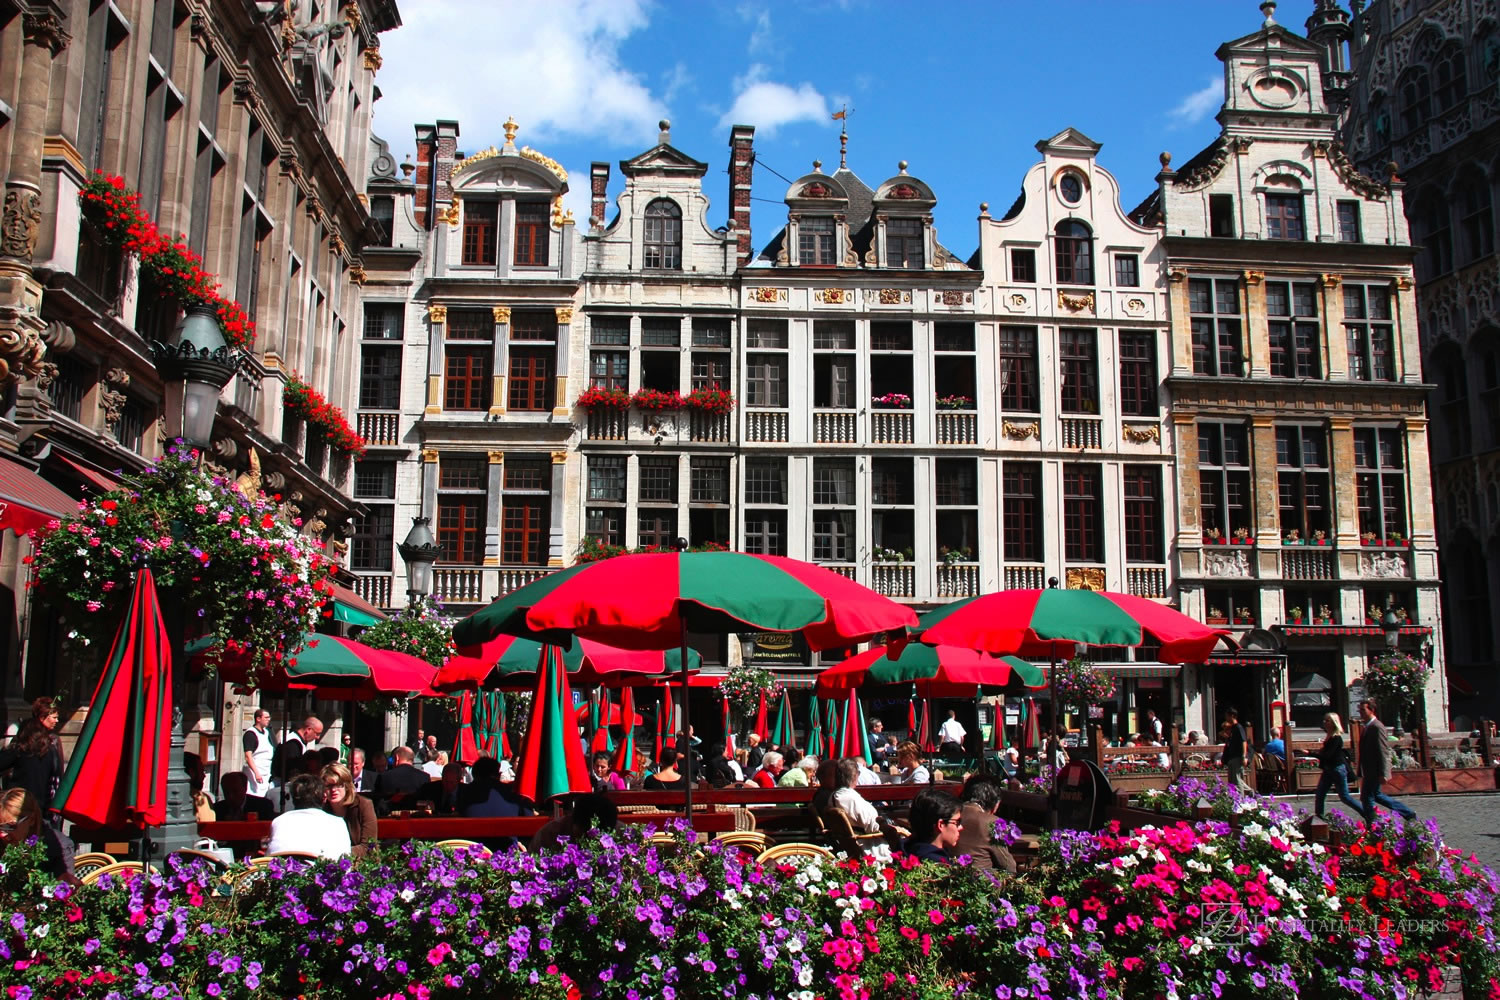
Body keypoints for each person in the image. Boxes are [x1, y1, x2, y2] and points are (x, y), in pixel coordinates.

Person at [1357, 700, 1417, 824]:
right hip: (1369, 769)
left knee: (1367, 797)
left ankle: (1372, 823)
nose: (1360, 712)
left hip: (1375, 769)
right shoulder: (1367, 726)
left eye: (1363, 710)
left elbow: (1383, 750)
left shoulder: (1377, 727)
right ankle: (1407, 812)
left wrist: (1384, 772)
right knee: (1375, 795)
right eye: (1360, 710)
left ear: (1371, 710)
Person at [1, 698, 66, 812]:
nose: (57, 721)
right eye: (54, 717)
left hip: (22, 801)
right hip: (32, 803)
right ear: (42, 717)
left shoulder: (50, 742)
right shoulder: (27, 743)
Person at [0, 788, 77, 882]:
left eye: (10, 826)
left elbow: (65, 887)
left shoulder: (59, 848)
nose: (3, 834)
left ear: (31, 820)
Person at [266, 774, 351, 859]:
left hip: (282, 870)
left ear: (293, 797)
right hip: (319, 871)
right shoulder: (337, 823)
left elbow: (268, 859)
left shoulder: (278, 821)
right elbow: (345, 862)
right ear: (324, 797)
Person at [954, 777, 1018, 873]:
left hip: (949, 875)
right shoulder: (992, 822)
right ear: (996, 804)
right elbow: (1008, 865)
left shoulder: (950, 814)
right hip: (983, 880)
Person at [1312, 712, 1364, 820]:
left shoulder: (1336, 738)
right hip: (1329, 769)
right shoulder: (1329, 737)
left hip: (1337, 769)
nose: (1324, 722)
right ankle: (1319, 818)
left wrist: (1310, 753)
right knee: (1320, 794)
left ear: (1333, 723)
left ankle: (1367, 813)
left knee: (1344, 796)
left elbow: (1328, 756)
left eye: (1327, 721)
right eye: (1324, 720)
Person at [322, 763, 377, 858]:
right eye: (329, 786)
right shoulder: (321, 810)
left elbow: (369, 847)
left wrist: (337, 853)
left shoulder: (364, 805)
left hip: (360, 864)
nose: (334, 789)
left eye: (339, 785)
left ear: (347, 786)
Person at [530, 792, 618, 853]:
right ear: (572, 821)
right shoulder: (549, 834)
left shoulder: (620, 833)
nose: (588, 844)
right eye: (583, 836)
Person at [901, 787, 962, 866]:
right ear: (941, 824)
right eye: (957, 822)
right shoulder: (935, 864)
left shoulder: (909, 849)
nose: (961, 827)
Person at [459, 757, 532, 820]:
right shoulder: (510, 792)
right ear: (497, 774)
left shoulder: (466, 793)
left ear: (474, 775)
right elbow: (528, 815)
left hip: (474, 834)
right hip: (509, 835)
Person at [830, 758, 882, 834]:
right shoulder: (851, 799)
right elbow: (872, 826)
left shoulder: (833, 796)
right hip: (867, 842)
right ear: (855, 776)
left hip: (850, 840)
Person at [374, 745, 430, 813]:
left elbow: (377, 803)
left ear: (397, 758)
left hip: (390, 819)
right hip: (416, 819)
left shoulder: (384, 777)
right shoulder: (424, 777)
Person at [275, 716, 324, 790]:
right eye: (317, 734)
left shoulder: (297, 742)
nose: (318, 737)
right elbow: (292, 770)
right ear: (308, 729)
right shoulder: (292, 744)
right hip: (283, 786)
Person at [241, 707, 275, 798]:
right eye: (266, 717)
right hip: (255, 772)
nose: (269, 720)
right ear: (258, 719)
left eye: (269, 717)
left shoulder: (267, 733)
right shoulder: (251, 734)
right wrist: (256, 773)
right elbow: (248, 756)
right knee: (255, 796)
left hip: (266, 771)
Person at [1220, 707, 1252, 793]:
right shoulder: (1233, 728)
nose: (1226, 718)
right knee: (1232, 780)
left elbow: (1243, 741)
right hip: (1231, 756)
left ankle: (1240, 800)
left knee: (1237, 780)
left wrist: (1244, 756)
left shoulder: (1238, 727)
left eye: (1227, 716)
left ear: (1232, 716)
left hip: (1237, 756)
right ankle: (1249, 792)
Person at [183, 752, 215, 823]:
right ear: (192, 772)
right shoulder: (201, 798)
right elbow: (207, 826)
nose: (204, 776)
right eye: (201, 771)